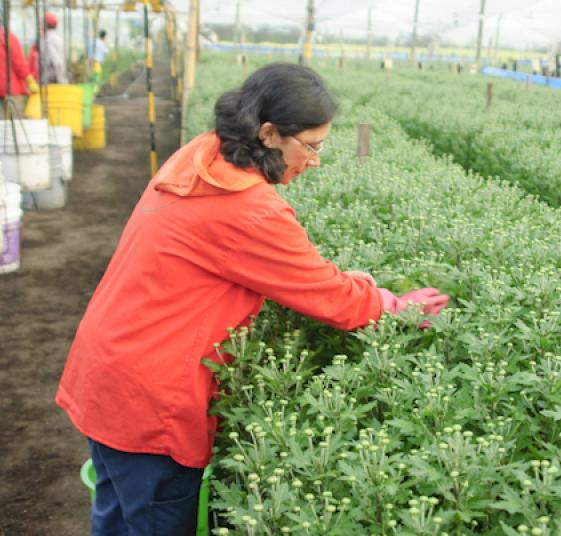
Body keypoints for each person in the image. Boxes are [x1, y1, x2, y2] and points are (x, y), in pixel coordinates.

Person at [55, 63, 449, 535]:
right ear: (268, 133)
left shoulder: (203, 155)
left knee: (117, 521)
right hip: (149, 400)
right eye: (312, 145)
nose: (316, 159)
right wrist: (395, 306)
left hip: (107, 373)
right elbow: (335, 302)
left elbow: (260, 264)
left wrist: (339, 279)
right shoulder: (248, 208)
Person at [0, 26, 39, 117]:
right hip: (10, 88)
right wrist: (29, 79)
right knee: (14, 123)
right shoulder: (7, 37)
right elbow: (18, 62)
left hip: (7, 87)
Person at [28, 12, 68, 84]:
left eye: (42, 23)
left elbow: (56, 62)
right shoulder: (59, 39)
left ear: (45, 24)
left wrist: (59, 78)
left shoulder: (46, 40)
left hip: (50, 78)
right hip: (56, 77)